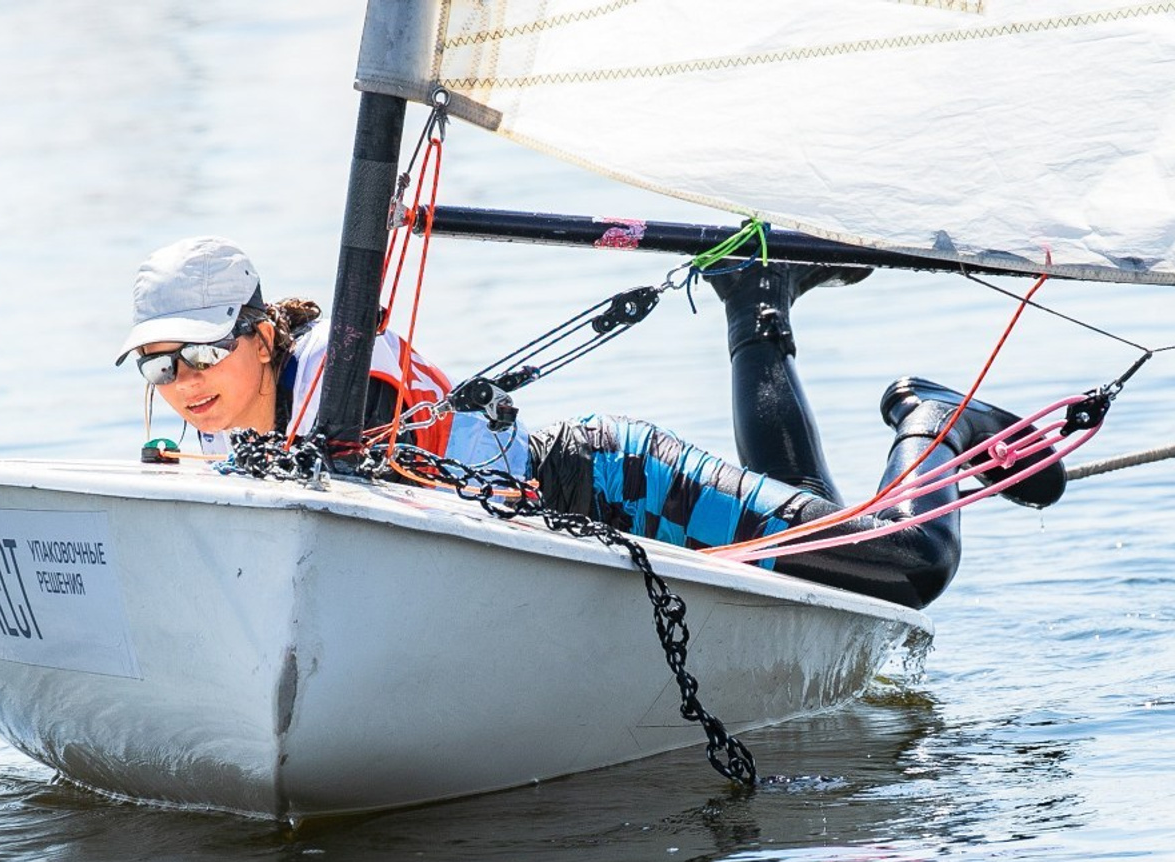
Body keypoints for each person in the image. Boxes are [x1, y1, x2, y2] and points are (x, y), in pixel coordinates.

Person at [116, 236, 1064, 611]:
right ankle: (755, 304)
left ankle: (937, 421)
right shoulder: (214, 428)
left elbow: (365, 513)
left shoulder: (348, 380)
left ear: (263, 335)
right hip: (576, 530)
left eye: (199, 354)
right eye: (157, 365)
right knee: (825, 540)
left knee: (903, 570)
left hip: (618, 484)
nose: (181, 381)